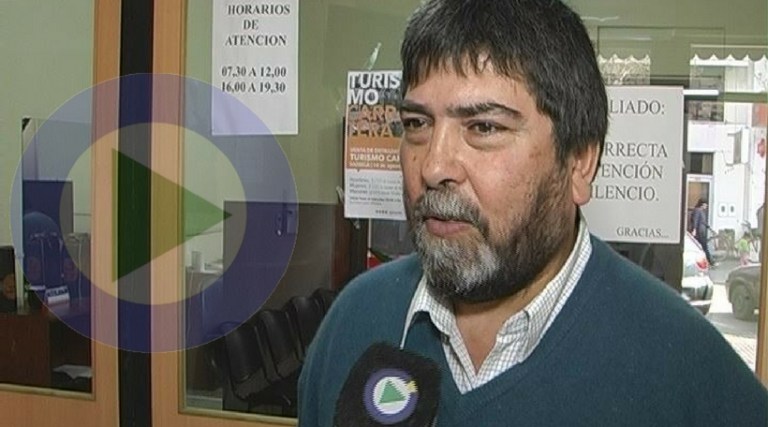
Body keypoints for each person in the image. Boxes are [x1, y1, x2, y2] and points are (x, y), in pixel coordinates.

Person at [298, 0, 768, 425]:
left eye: (484, 127)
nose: (434, 166)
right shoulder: (355, 321)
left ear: (579, 162)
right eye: (417, 123)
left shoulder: (689, 373)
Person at [690, 198, 715, 266]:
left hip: (701, 232)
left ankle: (709, 262)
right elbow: (695, 220)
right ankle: (710, 262)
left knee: (703, 247)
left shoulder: (701, 211)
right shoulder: (697, 210)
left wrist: (709, 228)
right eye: (705, 205)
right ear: (702, 204)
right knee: (704, 247)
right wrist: (694, 229)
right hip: (699, 232)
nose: (706, 206)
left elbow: (703, 222)